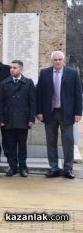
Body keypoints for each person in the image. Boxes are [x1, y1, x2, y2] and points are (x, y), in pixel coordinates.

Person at [36, 51, 82, 179]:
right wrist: (39, 111)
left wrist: (78, 112)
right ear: (52, 61)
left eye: (60, 59)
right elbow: (39, 93)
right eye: (55, 59)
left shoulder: (72, 73)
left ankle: (68, 168)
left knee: (68, 141)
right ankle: (54, 168)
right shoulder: (44, 73)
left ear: (63, 60)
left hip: (67, 113)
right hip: (49, 113)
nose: (57, 61)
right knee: (51, 141)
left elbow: (78, 93)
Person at [0, 60, 36, 177]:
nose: (12, 70)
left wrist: (31, 119)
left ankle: (23, 167)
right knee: (11, 145)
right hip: (9, 119)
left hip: (23, 119)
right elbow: (0, 102)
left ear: (21, 69)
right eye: (11, 68)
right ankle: (12, 167)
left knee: (22, 146)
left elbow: (32, 102)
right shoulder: (4, 83)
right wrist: (0, 118)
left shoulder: (28, 83)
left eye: (15, 68)